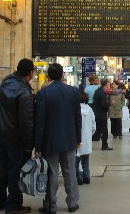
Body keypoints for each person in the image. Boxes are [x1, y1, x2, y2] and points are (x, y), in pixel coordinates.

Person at [35, 63, 82, 213]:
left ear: (48, 76)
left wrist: (38, 145)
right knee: (70, 172)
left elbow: (40, 121)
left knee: (52, 173)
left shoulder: (44, 93)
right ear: (62, 75)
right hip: (69, 138)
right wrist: (78, 138)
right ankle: (72, 203)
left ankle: (51, 205)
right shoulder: (73, 92)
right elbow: (77, 117)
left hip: (50, 140)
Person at [0, 58, 35, 214]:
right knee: (15, 171)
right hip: (16, 137)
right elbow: (26, 122)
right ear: (30, 73)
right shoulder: (24, 92)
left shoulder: (6, 83)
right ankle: (13, 205)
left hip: (1, 132)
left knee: (1, 167)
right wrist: (28, 144)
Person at [76, 91, 96, 185]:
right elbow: (93, 126)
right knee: (86, 159)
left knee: (77, 160)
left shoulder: (74, 110)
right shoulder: (90, 110)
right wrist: (89, 134)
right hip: (87, 139)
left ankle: (79, 178)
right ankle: (86, 176)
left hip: (76, 140)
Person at [93, 79, 113, 150]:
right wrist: (110, 103)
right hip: (102, 114)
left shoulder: (97, 92)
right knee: (104, 130)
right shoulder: (102, 94)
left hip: (97, 113)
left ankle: (94, 138)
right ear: (106, 85)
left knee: (98, 129)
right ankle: (105, 145)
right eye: (109, 86)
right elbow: (103, 105)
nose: (109, 87)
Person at [85, 75, 100, 141]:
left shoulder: (86, 88)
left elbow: (85, 96)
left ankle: (90, 135)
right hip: (96, 105)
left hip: (89, 104)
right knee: (96, 120)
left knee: (90, 120)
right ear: (94, 81)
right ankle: (96, 135)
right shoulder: (98, 87)